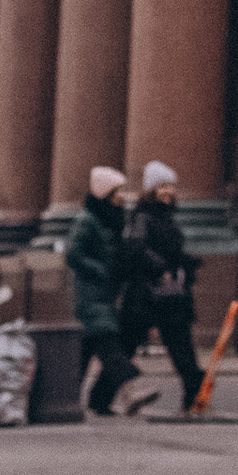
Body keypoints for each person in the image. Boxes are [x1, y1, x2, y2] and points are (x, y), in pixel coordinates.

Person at [117, 167, 205, 413]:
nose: (167, 191)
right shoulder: (143, 217)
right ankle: (101, 397)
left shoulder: (166, 218)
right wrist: (160, 269)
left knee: (180, 345)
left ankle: (193, 394)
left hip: (169, 293)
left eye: (170, 186)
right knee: (128, 343)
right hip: (147, 292)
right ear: (151, 190)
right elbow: (137, 248)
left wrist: (187, 262)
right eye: (162, 186)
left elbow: (168, 250)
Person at [66, 168, 133, 417]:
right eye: (118, 191)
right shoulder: (87, 219)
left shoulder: (109, 218)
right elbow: (73, 254)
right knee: (109, 344)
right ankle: (130, 391)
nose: (123, 196)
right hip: (91, 296)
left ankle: (68, 400)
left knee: (87, 351)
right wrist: (102, 271)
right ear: (106, 193)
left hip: (104, 295)